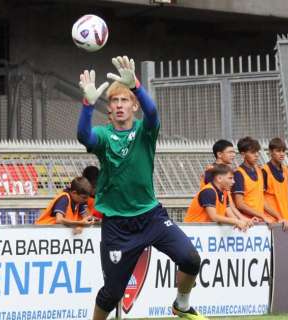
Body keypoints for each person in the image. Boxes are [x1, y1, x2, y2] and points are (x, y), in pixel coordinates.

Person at [77, 56, 207, 320]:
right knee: (111, 294)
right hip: (117, 226)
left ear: (134, 106)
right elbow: (84, 136)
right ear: (110, 109)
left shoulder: (145, 131)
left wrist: (136, 85)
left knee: (191, 259)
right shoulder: (103, 136)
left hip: (151, 217)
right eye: (114, 101)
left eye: (125, 100)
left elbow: (153, 113)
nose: (119, 105)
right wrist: (88, 105)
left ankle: (181, 305)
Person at [232, 136, 288, 229]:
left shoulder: (259, 171)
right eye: (252, 152)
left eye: (257, 152)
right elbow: (240, 204)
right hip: (246, 224)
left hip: (259, 222)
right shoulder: (238, 174)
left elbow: (262, 201)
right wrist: (262, 216)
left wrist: (279, 217)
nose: (257, 155)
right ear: (243, 154)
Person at [201, 139, 257, 224]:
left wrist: (241, 219)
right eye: (230, 152)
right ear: (219, 154)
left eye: (234, 152)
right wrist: (238, 220)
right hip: (207, 223)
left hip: (221, 221)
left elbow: (228, 203)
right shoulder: (212, 172)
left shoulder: (225, 171)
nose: (233, 155)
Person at [186, 164, 252, 231]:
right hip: (193, 231)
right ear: (219, 178)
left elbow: (230, 214)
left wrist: (243, 221)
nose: (233, 182)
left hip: (206, 232)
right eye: (230, 178)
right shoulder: (208, 191)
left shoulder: (224, 192)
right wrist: (236, 221)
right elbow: (214, 217)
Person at [263, 137, 288, 223]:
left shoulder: (286, 169)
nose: (282, 154)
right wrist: (278, 217)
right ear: (271, 152)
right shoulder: (264, 170)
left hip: (286, 220)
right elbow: (261, 200)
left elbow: (286, 195)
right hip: (271, 221)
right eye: (278, 151)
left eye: (283, 151)